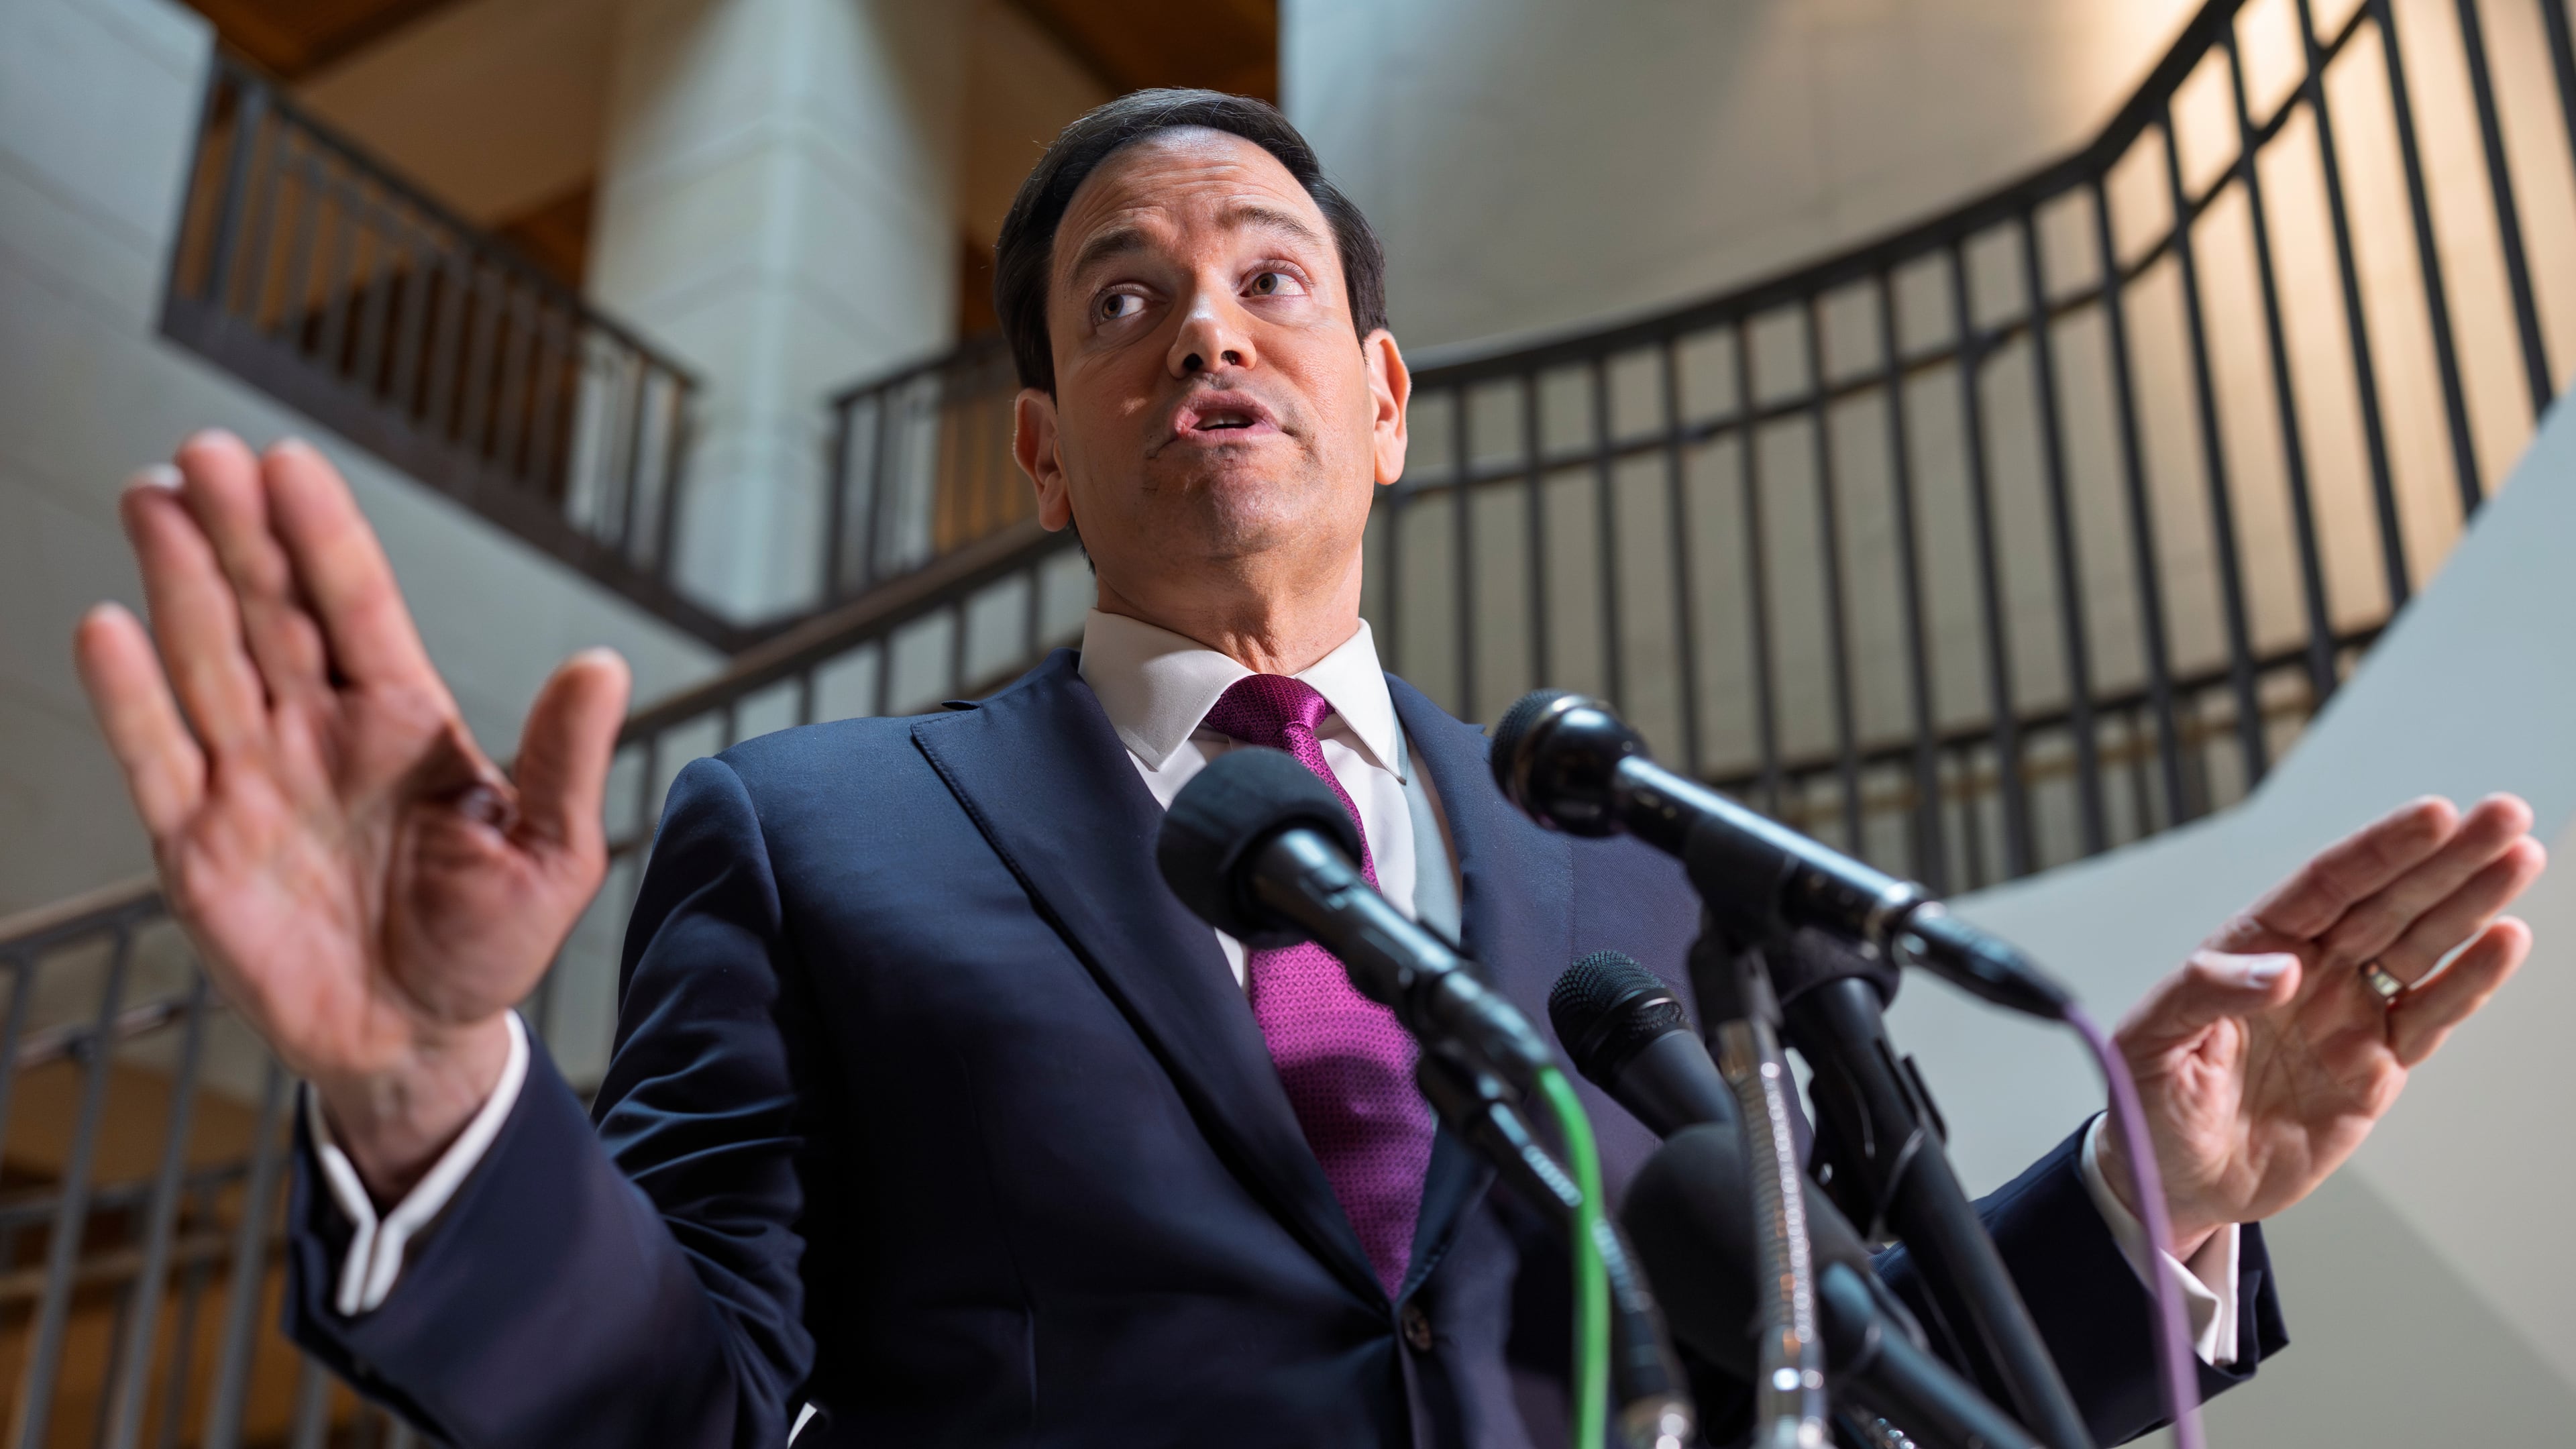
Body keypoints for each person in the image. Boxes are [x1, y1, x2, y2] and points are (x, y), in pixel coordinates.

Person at [73, 91, 2542, 1448]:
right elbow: (680, 1406)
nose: (1204, 338)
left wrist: (2159, 1185)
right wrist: (426, 1098)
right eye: (1124, 303)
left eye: (1271, 280)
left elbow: (1842, 1380)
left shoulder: (1633, 870)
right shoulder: (812, 839)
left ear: (1381, 403)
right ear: (1046, 448)